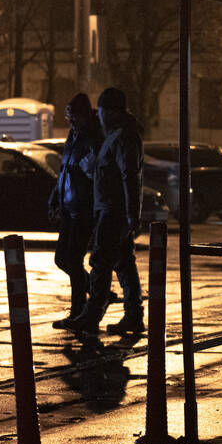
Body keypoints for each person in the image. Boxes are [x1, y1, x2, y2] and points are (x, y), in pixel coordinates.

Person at [69, 87, 145, 335]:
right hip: (112, 208)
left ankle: (92, 315)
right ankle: (133, 315)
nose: (97, 116)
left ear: (109, 111)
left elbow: (129, 175)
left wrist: (133, 213)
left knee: (101, 261)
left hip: (114, 210)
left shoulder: (123, 137)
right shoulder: (114, 135)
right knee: (124, 263)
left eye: (100, 111)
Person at [49, 94, 103, 329]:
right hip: (70, 206)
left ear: (82, 116)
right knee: (63, 258)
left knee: (72, 258)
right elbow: (64, 169)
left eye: (72, 118)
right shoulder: (75, 135)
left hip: (83, 208)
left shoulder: (93, 137)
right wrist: (55, 198)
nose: (70, 123)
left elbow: (92, 172)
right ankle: (95, 291)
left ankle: (78, 310)